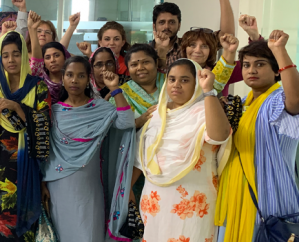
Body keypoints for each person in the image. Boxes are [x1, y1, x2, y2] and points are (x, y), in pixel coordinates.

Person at [131, 58, 232, 242]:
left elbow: (219, 136)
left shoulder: (205, 110)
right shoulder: (157, 114)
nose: (176, 85)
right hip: (155, 200)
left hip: (193, 202)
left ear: (196, 84)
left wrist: (209, 91)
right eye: (172, 79)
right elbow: (142, 156)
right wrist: (129, 187)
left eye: (184, 80)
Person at [216, 31, 299, 242]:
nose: (251, 70)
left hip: (269, 197)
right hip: (235, 192)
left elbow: (296, 101)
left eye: (260, 64)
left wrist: (279, 50)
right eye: (246, 65)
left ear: (276, 71)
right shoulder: (241, 104)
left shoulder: (275, 100)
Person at [43, 56, 136, 241]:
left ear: (88, 79)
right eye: (69, 75)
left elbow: (126, 122)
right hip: (58, 185)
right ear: (63, 78)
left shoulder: (100, 108)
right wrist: (42, 183)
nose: (74, 80)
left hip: (90, 186)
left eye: (81, 76)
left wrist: (114, 89)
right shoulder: (54, 111)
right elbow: (46, 152)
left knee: (89, 232)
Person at [0, 31, 50, 241]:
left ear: (24, 56)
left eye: (16, 54)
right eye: (5, 55)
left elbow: (44, 124)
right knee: (0, 219)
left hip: (27, 165)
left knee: (24, 218)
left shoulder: (37, 85)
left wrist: (17, 107)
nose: (11, 60)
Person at [111, 33, 237, 129]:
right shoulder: (121, 94)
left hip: (183, 139)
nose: (140, 68)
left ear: (155, 63)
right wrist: (140, 121)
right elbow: (115, 127)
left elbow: (210, 84)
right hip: (140, 150)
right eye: (134, 65)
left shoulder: (172, 80)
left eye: (146, 62)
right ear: (128, 68)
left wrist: (229, 53)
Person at [151, 0, 235, 72]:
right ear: (154, 26)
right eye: (162, 22)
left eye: (172, 22)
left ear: (179, 25)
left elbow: (227, 36)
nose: (166, 27)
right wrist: (161, 50)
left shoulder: (189, 45)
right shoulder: (145, 51)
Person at [27, 10, 71, 104]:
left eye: (47, 32)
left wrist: (72, 26)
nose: (53, 60)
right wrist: (32, 28)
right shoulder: (37, 71)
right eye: (39, 31)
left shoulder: (70, 78)